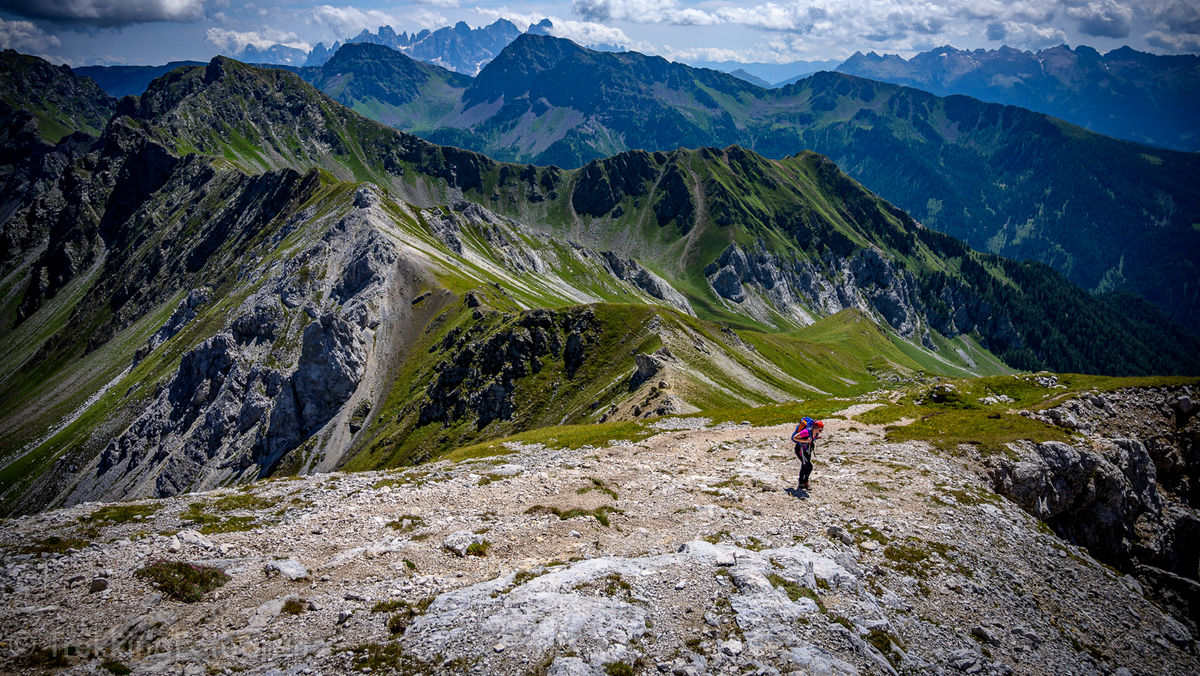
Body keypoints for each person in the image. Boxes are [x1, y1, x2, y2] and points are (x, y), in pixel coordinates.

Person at [791, 419, 824, 491]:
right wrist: (805, 441)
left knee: (804, 465)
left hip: (807, 450)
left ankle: (801, 483)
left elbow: (812, 438)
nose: (820, 432)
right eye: (820, 430)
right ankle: (805, 482)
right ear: (815, 428)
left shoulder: (815, 433)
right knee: (809, 466)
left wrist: (816, 438)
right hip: (800, 450)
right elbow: (794, 437)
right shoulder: (806, 432)